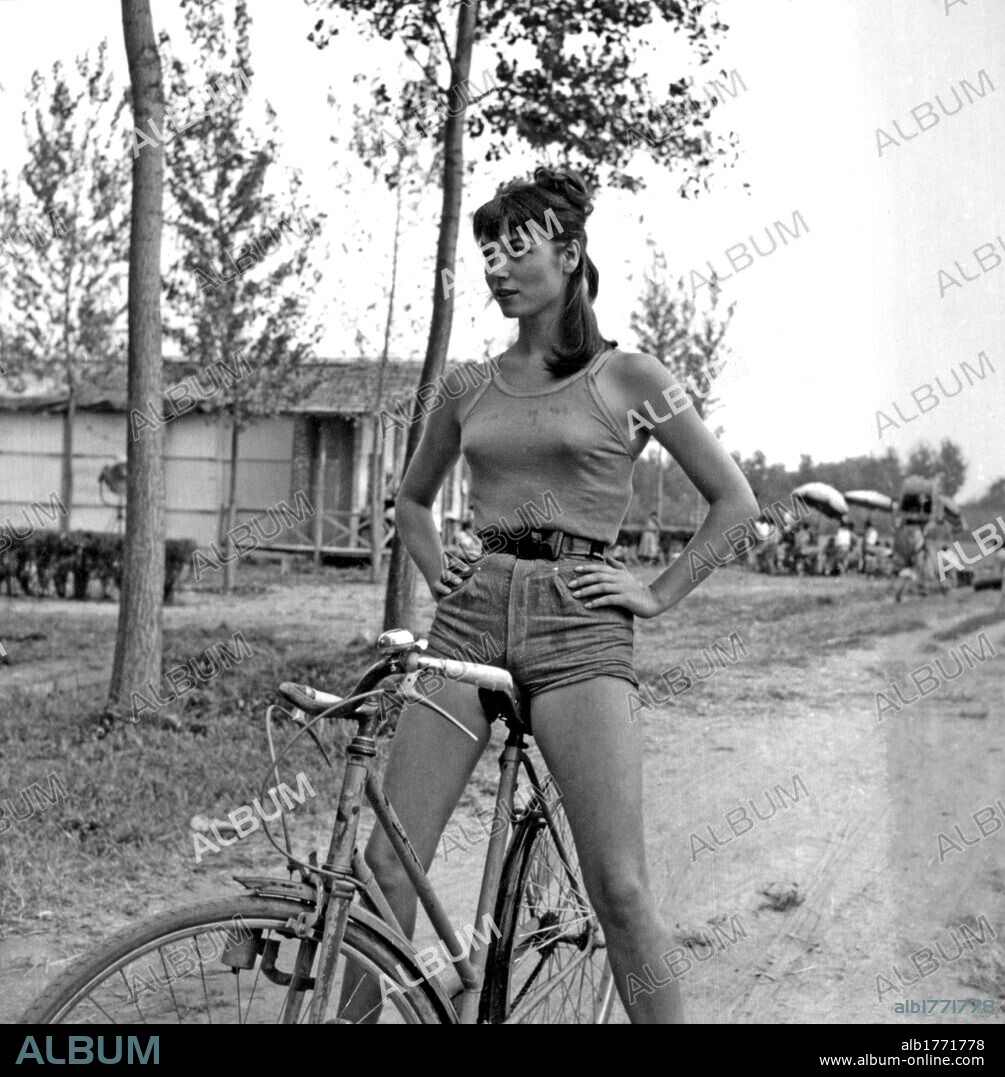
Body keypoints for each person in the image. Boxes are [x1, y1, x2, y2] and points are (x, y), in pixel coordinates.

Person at [353, 166, 759, 1024]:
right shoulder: (468, 385)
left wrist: (653, 592)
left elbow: (735, 502)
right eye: (487, 251)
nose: (497, 266)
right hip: (467, 620)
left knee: (617, 884)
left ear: (569, 254)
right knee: (388, 865)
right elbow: (412, 503)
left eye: (516, 247)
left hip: (579, 626)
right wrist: (437, 572)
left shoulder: (634, 376)